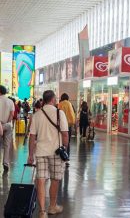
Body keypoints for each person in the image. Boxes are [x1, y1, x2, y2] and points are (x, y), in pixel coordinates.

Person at [27, 90, 69, 218]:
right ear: (53, 99)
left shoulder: (37, 115)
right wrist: (64, 148)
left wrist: (30, 154)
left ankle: (42, 212)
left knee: (41, 179)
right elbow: (65, 133)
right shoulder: (59, 113)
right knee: (55, 179)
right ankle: (52, 206)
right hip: (56, 152)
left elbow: (32, 136)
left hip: (40, 152)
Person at [58, 93, 76, 166]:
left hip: (61, 125)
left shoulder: (60, 104)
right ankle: (67, 158)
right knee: (67, 142)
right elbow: (73, 114)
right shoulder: (69, 104)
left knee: (60, 141)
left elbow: (58, 114)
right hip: (69, 125)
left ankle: (60, 157)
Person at [0, 85, 15, 172]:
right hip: (7, 125)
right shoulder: (10, 101)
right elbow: (12, 114)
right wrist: (7, 122)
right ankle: (5, 163)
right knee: (7, 144)